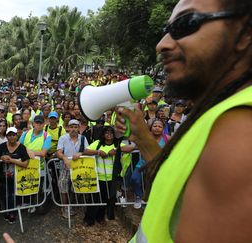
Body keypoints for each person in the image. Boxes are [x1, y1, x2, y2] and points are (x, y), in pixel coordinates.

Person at [115, 0, 252, 241]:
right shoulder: (217, 115)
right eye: (166, 31)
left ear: (244, 34)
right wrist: (143, 138)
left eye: (186, 23)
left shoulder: (240, 131)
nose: (162, 45)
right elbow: (171, 187)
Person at [82, 126, 133, 225]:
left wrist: (117, 149)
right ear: (103, 134)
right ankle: (88, 219)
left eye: (111, 132)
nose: (109, 134)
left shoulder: (117, 144)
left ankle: (100, 218)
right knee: (94, 199)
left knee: (106, 200)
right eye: (106, 132)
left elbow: (130, 148)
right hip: (98, 177)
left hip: (112, 178)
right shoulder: (98, 143)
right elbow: (85, 151)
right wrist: (98, 152)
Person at [56, 119, 89, 218]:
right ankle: (65, 207)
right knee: (63, 185)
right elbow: (59, 152)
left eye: (75, 127)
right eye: (71, 127)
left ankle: (71, 205)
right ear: (68, 128)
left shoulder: (83, 138)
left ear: (79, 128)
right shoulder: (63, 138)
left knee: (75, 188)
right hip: (65, 167)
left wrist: (81, 153)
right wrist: (64, 158)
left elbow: (87, 150)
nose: (73, 129)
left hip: (78, 168)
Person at [0, 127, 30, 224]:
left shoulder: (22, 147)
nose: (12, 137)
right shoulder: (2, 146)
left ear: (17, 136)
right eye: (9, 135)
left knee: (14, 195)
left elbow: (25, 163)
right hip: (4, 177)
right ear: (6, 136)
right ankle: (7, 211)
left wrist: (11, 160)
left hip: (17, 178)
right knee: (5, 195)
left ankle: (13, 213)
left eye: (14, 135)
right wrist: (2, 157)